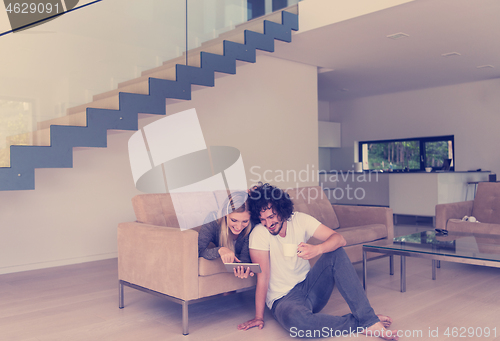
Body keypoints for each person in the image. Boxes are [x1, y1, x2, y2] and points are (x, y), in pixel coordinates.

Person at [237, 183, 399, 340]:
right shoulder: (259, 233)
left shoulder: (299, 220)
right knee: (300, 324)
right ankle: (364, 322)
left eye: (271, 216)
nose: (269, 223)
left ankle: (367, 318)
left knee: (335, 251)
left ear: (281, 209)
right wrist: (259, 317)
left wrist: (317, 249)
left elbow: (339, 239)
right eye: (263, 219)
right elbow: (263, 278)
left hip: (311, 287)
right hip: (283, 299)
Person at [198, 191, 254, 278]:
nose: (239, 227)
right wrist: (220, 250)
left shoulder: (252, 225)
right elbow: (199, 250)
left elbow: (244, 259)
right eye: (234, 220)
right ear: (225, 212)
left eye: (245, 221)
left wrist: (244, 268)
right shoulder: (213, 219)